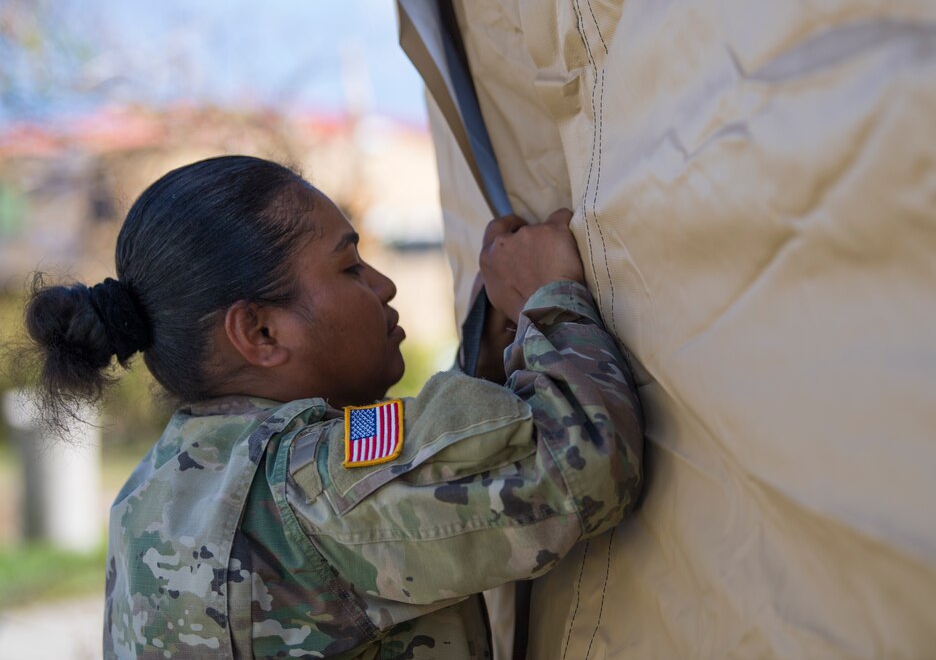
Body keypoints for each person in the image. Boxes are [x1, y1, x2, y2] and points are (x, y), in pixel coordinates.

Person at [23, 155, 643, 659]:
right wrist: (549, 296)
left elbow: (392, 478)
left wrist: (481, 360)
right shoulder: (308, 480)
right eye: (350, 266)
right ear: (261, 334)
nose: (385, 285)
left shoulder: (160, 484)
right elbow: (582, 465)